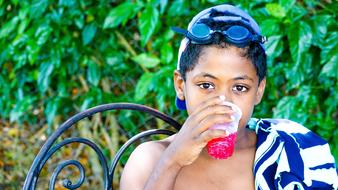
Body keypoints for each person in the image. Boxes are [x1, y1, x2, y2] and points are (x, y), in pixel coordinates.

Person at [120, 4, 337, 190]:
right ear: (180, 85)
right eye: (206, 85)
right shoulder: (149, 161)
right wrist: (172, 162)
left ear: (259, 90)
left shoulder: (291, 155)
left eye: (240, 87)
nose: (222, 101)